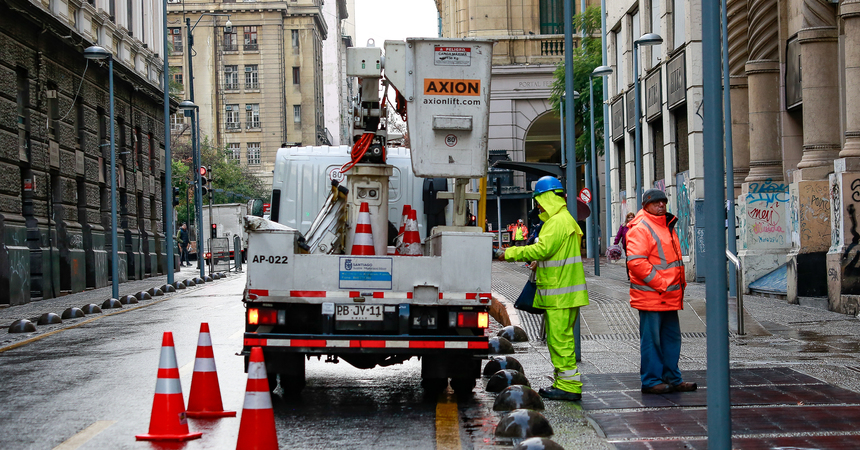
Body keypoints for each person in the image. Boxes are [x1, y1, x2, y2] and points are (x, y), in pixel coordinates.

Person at [497, 176, 589, 401]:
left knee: (560, 341)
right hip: (567, 292)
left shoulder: (556, 222)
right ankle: (563, 382)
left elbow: (541, 249)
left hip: (560, 293)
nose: (537, 206)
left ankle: (568, 386)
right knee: (561, 339)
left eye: (539, 200)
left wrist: (507, 253)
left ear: (547, 198)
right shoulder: (567, 220)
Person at [626, 189, 696, 394]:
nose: (661, 205)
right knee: (652, 341)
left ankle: (672, 378)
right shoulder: (642, 227)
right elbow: (636, 262)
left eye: (663, 202)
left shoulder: (665, 224)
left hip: (668, 295)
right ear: (645, 205)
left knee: (671, 339)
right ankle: (651, 381)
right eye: (656, 202)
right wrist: (662, 283)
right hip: (653, 295)